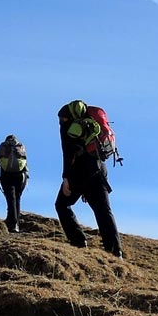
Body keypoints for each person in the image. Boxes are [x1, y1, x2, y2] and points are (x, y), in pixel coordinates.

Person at [53, 100, 122, 257]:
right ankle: (115, 250)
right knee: (103, 211)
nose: (59, 122)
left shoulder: (69, 127)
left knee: (62, 205)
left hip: (80, 171)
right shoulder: (91, 124)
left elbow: (68, 154)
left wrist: (66, 178)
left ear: (67, 116)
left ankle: (78, 241)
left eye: (61, 119)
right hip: (99, 169)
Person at [0, 134, 28, 234]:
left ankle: (12, 224)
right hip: (20, 176)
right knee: (17, 198)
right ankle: (15, 223)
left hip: (6, 175)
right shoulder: (20, 146)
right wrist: (27, 177)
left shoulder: (3, 146)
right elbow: (25, 162)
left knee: (10, 198)